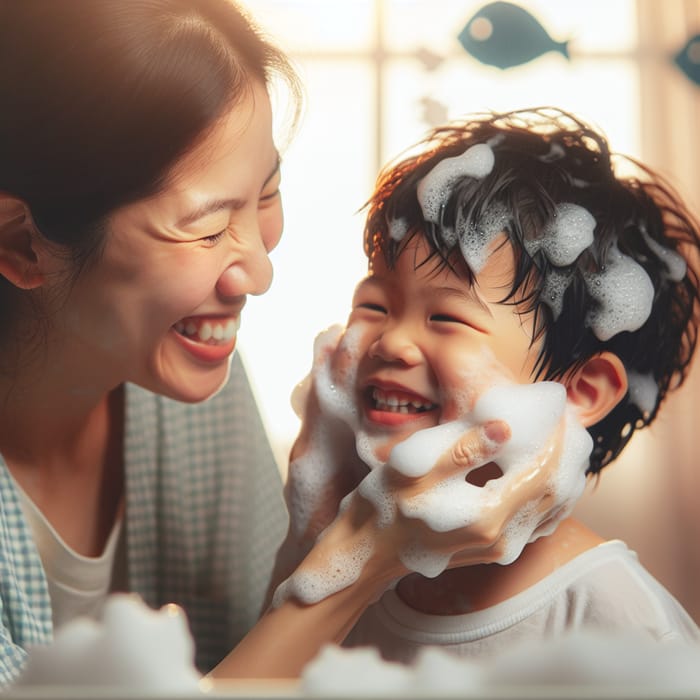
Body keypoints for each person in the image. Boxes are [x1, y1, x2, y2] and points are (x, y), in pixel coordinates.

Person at [0, 1, 570, 687]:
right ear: (22, 245)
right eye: (207, 230)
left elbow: (251, 646)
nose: (260, 274)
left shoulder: (186, 387)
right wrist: (363, 558)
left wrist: (318, 542)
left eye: (266, 193)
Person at [271, 107, 700, 666]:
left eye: (446, 319)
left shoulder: (621, 625)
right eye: (374, 305)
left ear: (581, 391)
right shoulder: (336, 562)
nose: (390, 344)